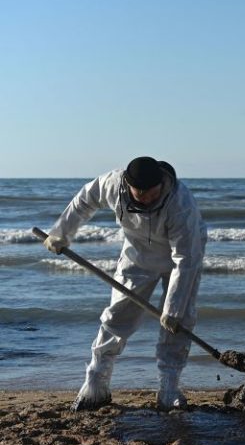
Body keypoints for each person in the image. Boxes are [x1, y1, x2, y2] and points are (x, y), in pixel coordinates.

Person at [44, 156, 207, 411]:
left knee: (179, 321)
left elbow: (185, 261)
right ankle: (96, 383)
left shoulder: (180, 203)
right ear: (128, 185)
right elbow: (84, 200)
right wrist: (61, 233)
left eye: (152, 193)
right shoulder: (112, 184)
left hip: (182, 257)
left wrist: (172, 310)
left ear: (161, 186)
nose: (145, 198)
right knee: (117, 315)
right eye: (139, 193)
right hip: (137, 254)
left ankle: (169, 388)